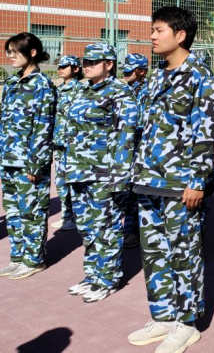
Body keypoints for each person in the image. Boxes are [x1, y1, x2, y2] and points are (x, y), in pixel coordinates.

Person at [127, 7, 214, 353]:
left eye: (159, 30)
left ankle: (186, 322)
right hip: (149, 179)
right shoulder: (156, 76)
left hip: (181, 184)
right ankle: (163, 316)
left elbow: (205, 132)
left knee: (184, 253)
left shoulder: (199, 75)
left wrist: (197, 181)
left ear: (180, 35)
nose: (152, 36)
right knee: (154, 253)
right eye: (152, 30)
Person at [63, 43, 137, 302]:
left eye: (93, 62)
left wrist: (119, 178)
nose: (87, 66)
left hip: (104, 174)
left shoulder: (119, 93)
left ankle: (107, 279)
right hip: (78, 171)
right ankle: (92, 275)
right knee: (86, 228)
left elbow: (126, 136)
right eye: (85, 61)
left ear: (109, 64)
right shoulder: (82, 90)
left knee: (105, 228)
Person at [0, 32, 56, 280]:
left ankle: (34, 260)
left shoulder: (42, 85)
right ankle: (18, 258)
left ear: (32, 53)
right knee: (13, 212)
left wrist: (37, 164)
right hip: (9, 159)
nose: (10, 56)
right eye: (8, 52)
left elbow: (44, 127)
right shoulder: (12, 83)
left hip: (29, 162)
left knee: (31, 212)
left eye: (15, 52)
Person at [121, 52, 150, 249]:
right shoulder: (126, 90)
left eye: (130, 71)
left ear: (142, 71)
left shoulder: (148, 91)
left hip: (142, 146)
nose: (126, 74)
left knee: (138, 190)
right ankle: (131, 229)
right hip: (129, 145)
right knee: (129, 189)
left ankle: (136, 231)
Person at [51, 55, 83, 232]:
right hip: (59, 142)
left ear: (76, 69)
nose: (60, 69)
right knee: (61, 181)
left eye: (64, 66)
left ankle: (78, 216)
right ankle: (66, 215)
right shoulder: (58, 89)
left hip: (73, 143)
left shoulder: (80, 89)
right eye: (59, 66)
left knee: (74, 180)